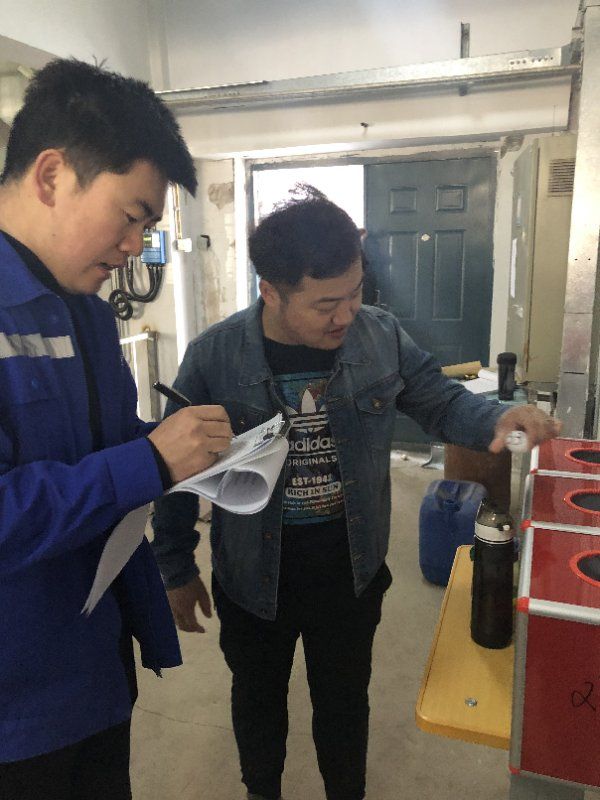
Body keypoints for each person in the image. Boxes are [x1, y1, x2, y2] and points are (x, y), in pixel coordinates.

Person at [151, 185, 559, 800]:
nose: (346, 315)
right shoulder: (215, 355)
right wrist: (176, 567)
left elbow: (440, 401)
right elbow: (175, 470)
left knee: (343, 703)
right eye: (325, 304)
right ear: (271, 292)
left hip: (349, 567)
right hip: (253, 573)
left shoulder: (379, 336)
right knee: (257, 699)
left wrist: (498, 417)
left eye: (355, 293)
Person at [0, 59, 232, 799]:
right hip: (16, 711)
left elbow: (96, 447)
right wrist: (149, 464)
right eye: (129, 216)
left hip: (97, 667)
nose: (136, 246)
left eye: (148, 227)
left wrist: (184, 450)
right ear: (51, 175)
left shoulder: (89, 313)